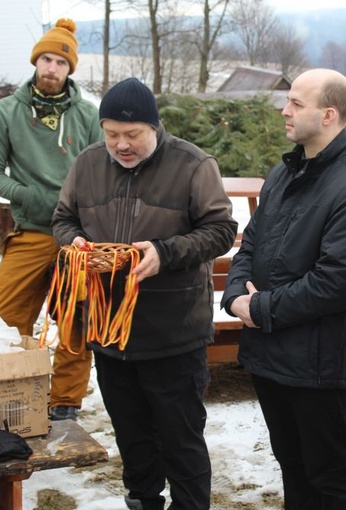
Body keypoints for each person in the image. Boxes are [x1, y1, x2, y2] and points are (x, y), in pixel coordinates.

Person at [52, 76, 237, 510]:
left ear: (154, 128)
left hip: (173, 332)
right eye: (112, 134)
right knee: (132, 435)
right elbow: (62, 218)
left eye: (132, 135)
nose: (121, 145)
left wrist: (165, 252)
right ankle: (143, 501)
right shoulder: (87, 163)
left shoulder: (192, 164)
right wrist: (74, 243)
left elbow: (222, 230)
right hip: (109, 332)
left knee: (181, 437)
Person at [222, 68, 346, 509]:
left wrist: (260, 309)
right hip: (270, 351)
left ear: (329, 115)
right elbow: (250, 244)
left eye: (296, 103)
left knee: (328, 475)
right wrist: (236, 294)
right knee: (292, 465)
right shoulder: (284, 173)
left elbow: (334, 282)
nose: (285, 110)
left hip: (318, 360)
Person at [0, 18, 102, 421]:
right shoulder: (7, 111)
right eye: (46, 59)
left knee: (74, 318)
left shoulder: (87, 115)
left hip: (77, 238)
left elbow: (103, 172)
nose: (52, 68)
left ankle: (65, 400)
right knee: (3, 318)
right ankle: (6, 391)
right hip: (31, 230)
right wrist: (30, 195)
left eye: (61, 63)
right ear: (36, 62)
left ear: (70, 70)